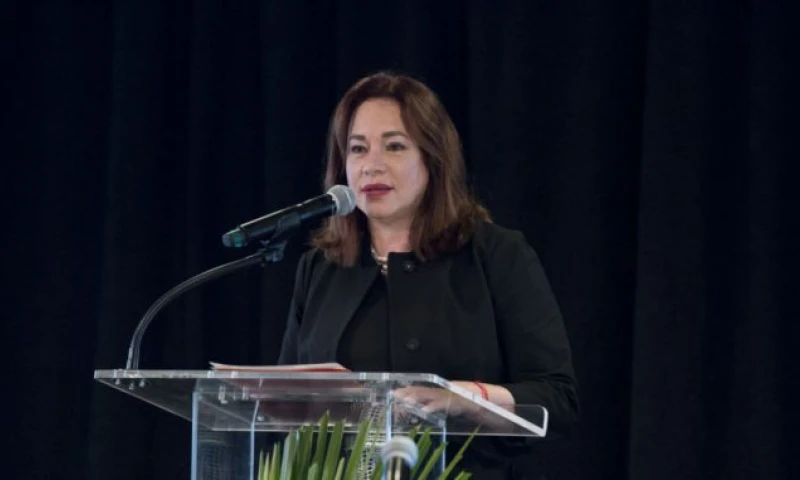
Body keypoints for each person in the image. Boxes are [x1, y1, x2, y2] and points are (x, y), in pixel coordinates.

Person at [278, 71, 578, 479]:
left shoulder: (495, 255)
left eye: (395, 146)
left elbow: (556, 400)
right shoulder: (320, 269)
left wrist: (466, 398)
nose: (372, 166)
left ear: (433, 158)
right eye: (358, 149)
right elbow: (282, 415)